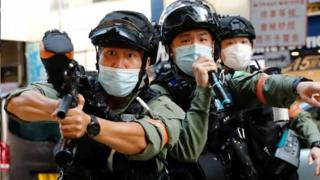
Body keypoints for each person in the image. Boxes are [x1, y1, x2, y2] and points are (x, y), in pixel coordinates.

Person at [5, 10, 186, 180]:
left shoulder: (160, 103)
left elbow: (143, 141)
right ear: (98, 57)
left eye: (130, 56)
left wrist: (89, 124)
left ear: (146, 63)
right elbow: (16, 103)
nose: (118, 64)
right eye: (110, 53)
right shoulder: (80, 87)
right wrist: (59, 109)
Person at [151, 0, 320, 179]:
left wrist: (298, 85)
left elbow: (260, 84)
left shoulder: (225, 80)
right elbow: (187, 150)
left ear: (212, 46)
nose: (195, 46)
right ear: (170, 50)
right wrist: (202, 89)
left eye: (202, 39)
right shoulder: (161, 93)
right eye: (185, 40)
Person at [219, 15, 320, 179]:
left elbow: (300, 117)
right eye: (229, 43)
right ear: (218, 50)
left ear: (252, 47)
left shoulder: (270, 79)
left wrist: (316, 143)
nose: (237, 48)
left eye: (243, 42)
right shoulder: (214, 86)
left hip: (279, 170)